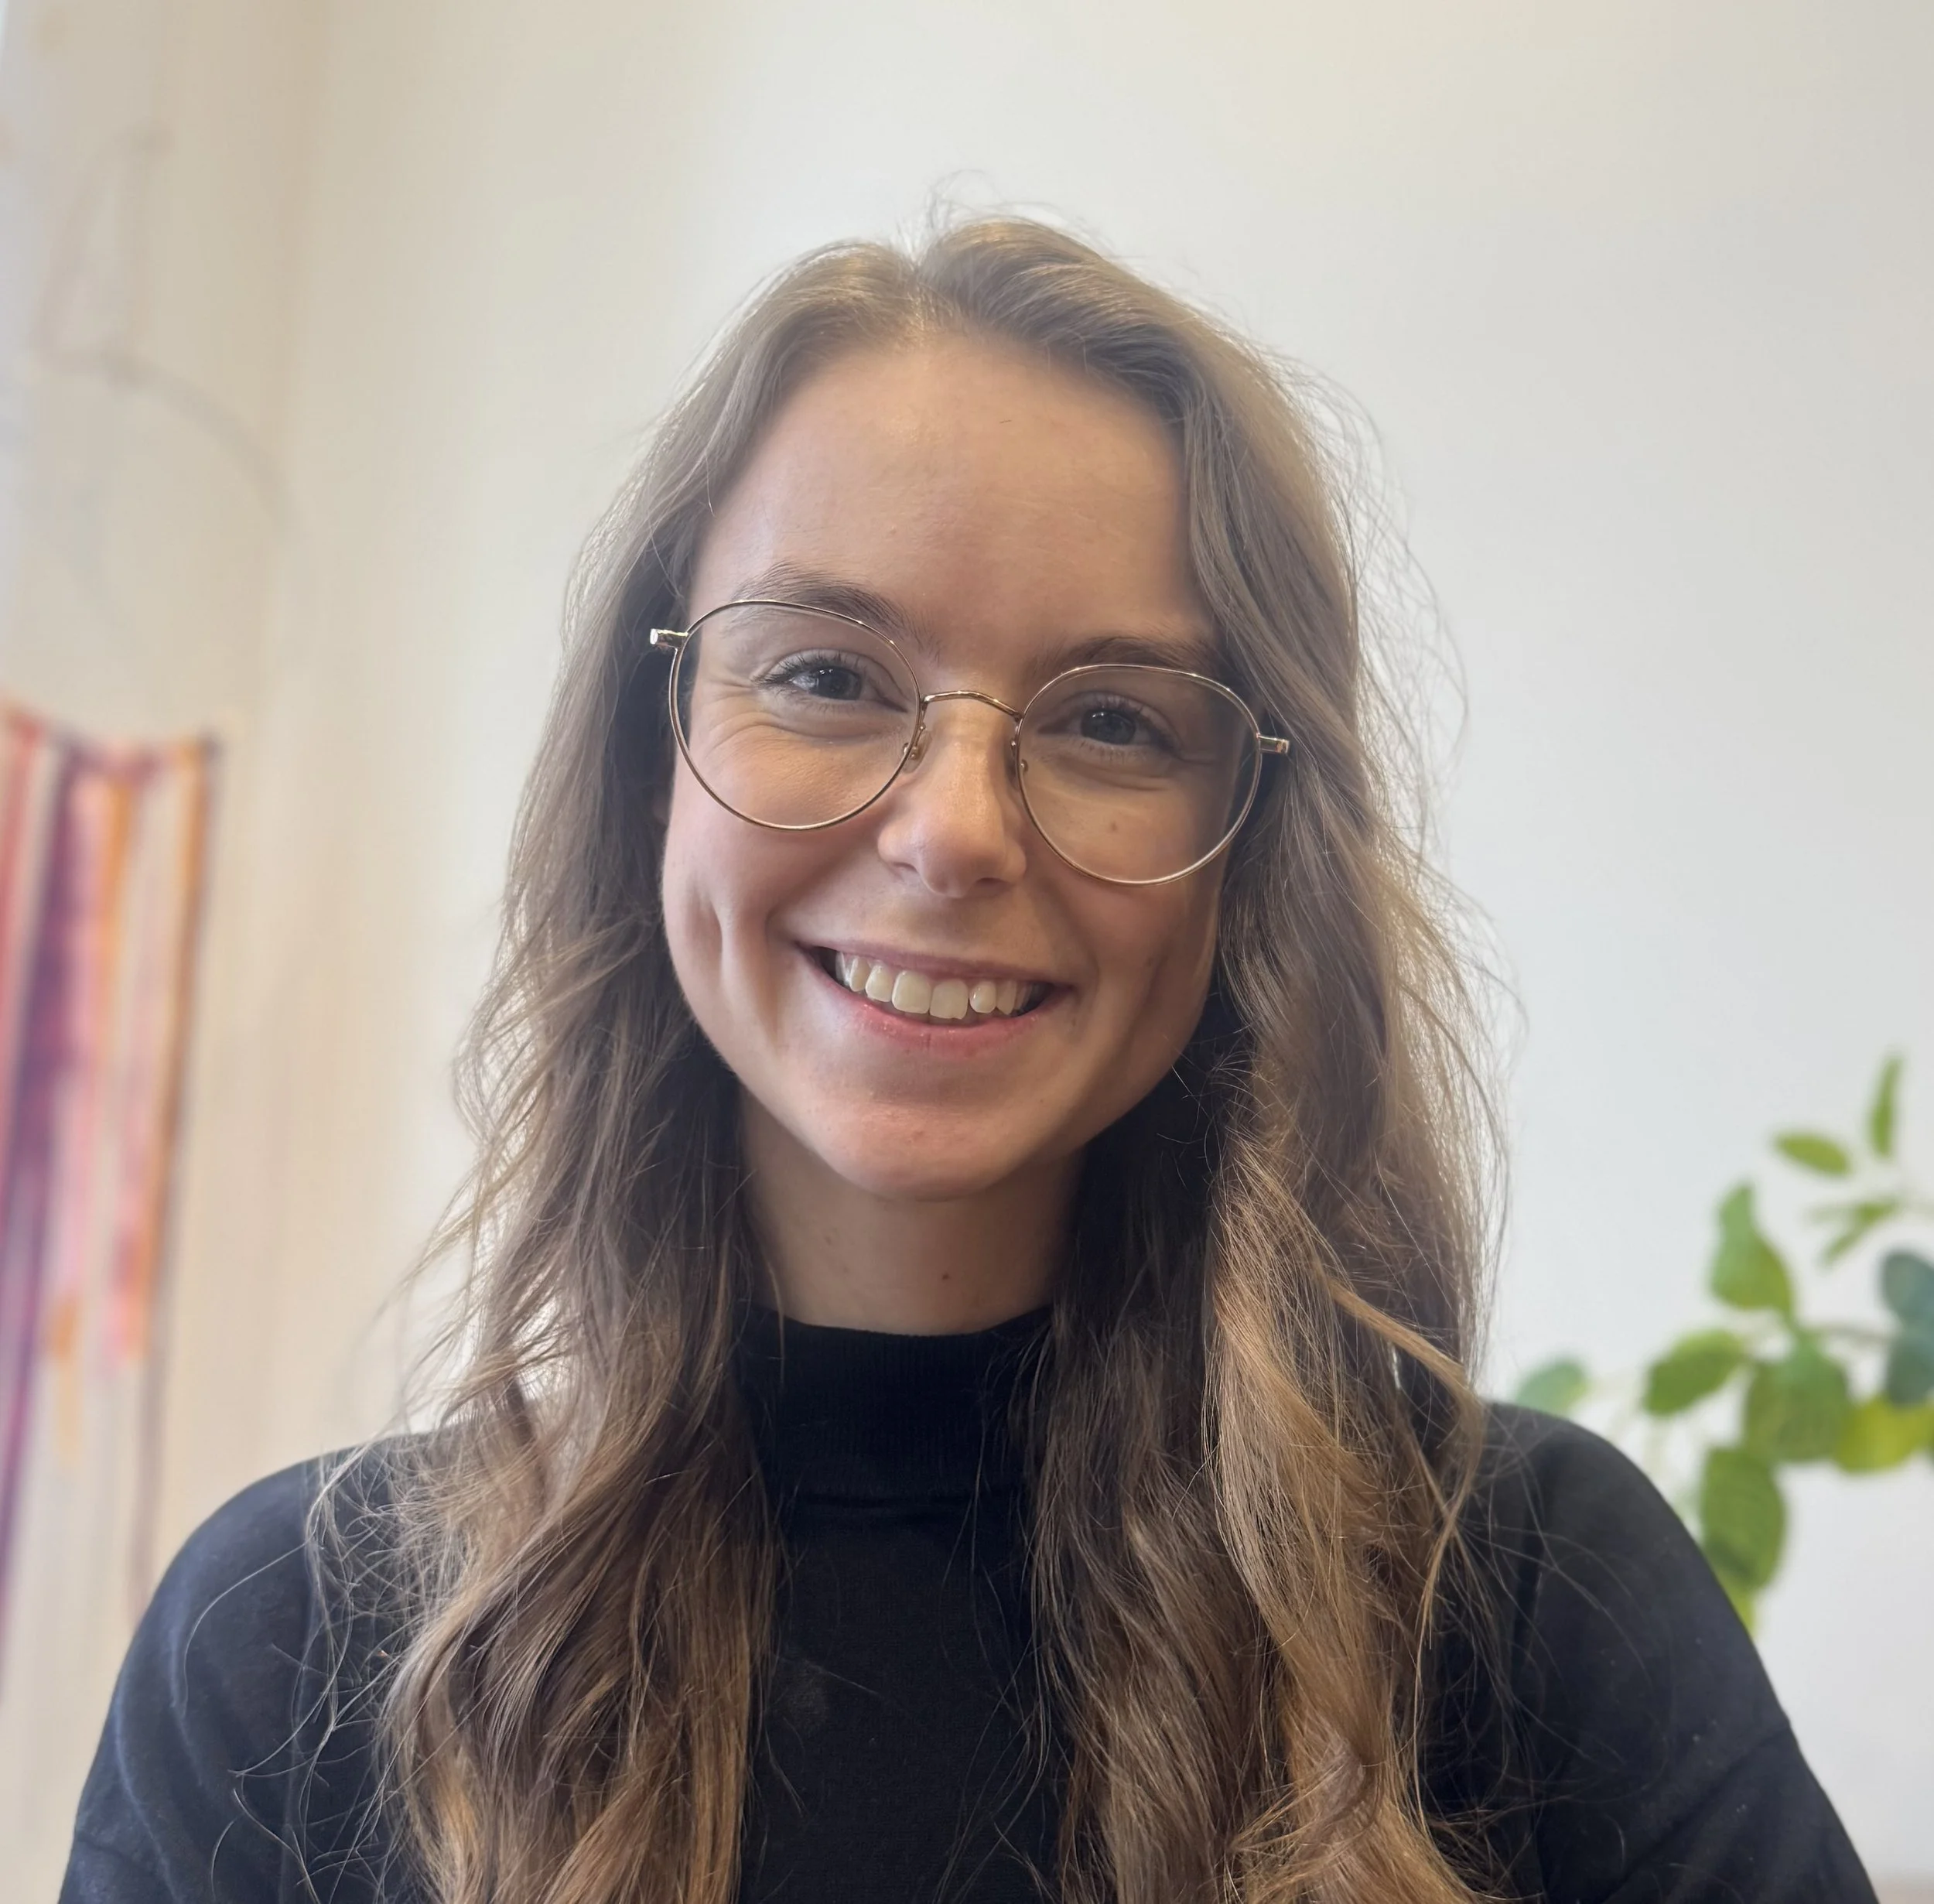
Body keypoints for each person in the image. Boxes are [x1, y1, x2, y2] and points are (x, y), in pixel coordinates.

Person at [60, 217, 1875, 1904]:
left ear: (1254, 852)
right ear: (650, 755)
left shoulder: (1527, 1603)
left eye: (1108, 720)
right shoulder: (289, 1645)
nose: (951, 834)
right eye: (829, 675)